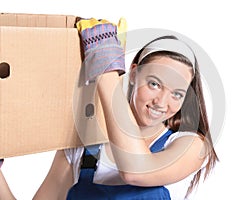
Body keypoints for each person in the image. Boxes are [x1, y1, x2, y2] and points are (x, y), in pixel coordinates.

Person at [1, 18, 218, 199]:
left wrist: (105, 71)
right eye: (154, 84)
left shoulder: (190, 145)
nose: (161, 102)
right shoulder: (82, 146)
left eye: (177, 94)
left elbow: (135, 171)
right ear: (133, 74)